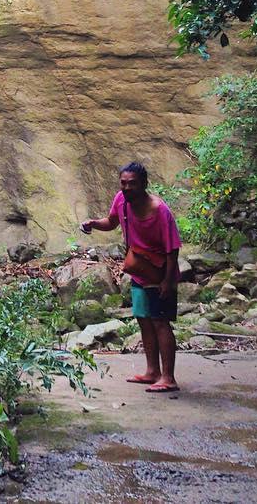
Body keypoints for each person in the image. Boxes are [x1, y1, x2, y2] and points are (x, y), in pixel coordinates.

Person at [83, 161, 182, 393]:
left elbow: (173, 248)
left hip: (160, 272)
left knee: (160, 322)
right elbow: (112, 221)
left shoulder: (159, 210)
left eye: (132, 184)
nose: (127, 188)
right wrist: (94, 224)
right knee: (143, 319)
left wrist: (167, 281)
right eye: (123, 183)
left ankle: (168, 377)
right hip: (139, 271)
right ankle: (152, 372)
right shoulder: (121, 200)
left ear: (144, 184)